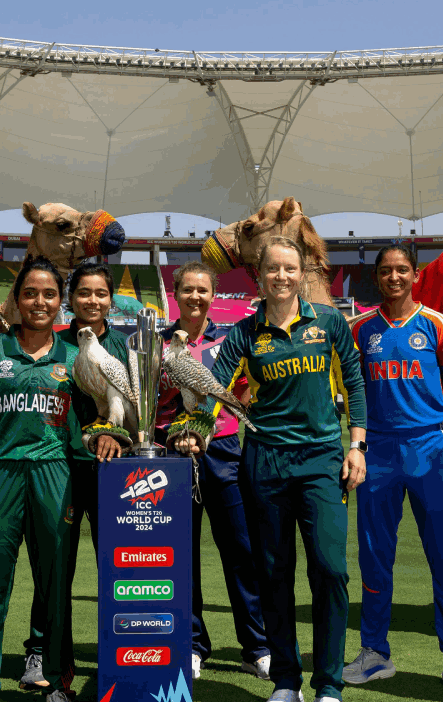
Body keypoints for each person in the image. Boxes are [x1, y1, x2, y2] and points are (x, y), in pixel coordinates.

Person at [172, 236, 367, 702]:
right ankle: (285, 680)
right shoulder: (245, 331)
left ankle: (329, 684)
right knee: (274, 573)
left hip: (321, 461)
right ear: (258, 276)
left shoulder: (329, 322)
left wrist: (356, 445)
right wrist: (196, 429)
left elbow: (355, 381)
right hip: (264, 462)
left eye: (289, 268)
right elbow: (216, 386)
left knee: (330, 570)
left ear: (303, 274)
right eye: (272, 269)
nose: (281, 276)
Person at [0, 256, 98, 702]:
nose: (40, 301)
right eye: (30, 293)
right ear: (16, 300)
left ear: (61, 303)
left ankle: (56, 681)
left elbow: (89, 427)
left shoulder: (74, 359)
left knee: (56, 582)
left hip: (55, 476)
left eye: (49, 294)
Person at [345, 244, 443, 694]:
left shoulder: (437, 324)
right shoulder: (361, 329)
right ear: (377, 278)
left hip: (427, 447)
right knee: (374, 556)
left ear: (415, 274)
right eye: (386, 271)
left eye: (402, 270)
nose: (394, 277)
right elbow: (346, 385)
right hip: (377, 452)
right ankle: (374, 654)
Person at [156, 261, 271, 682]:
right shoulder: (157, 344)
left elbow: (243, 391)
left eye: (203, 290)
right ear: (176, 292)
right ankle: (191, 644)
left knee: (240, 550)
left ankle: (256, 646)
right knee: (181, 554)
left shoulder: (230, 339)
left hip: (222, 450)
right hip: (173, 451)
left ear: (213, 295)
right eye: (188, 289)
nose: (196, 297)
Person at [21, 261, 129, 690]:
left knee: (116, 570)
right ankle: (41, 654)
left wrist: (115, 437)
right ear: (71, 299)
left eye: (101, 293)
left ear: (111, 300)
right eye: (84, 293)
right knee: (54, 567)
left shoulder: (125, 347)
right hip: (60, 469)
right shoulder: (56, 344)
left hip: (112, 474)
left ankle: (118, 656)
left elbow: (136, 414)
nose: (93, 301)